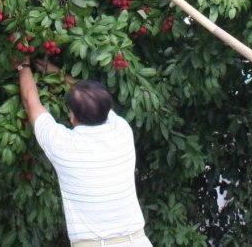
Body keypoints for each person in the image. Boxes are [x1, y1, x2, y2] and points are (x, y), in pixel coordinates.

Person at [18, 60, 153, 247]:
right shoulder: (122, 131)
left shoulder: (64, 146)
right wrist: (56, 71)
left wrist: (23, 65)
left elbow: (31, 102)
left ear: (72, 116)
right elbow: (93, 101)